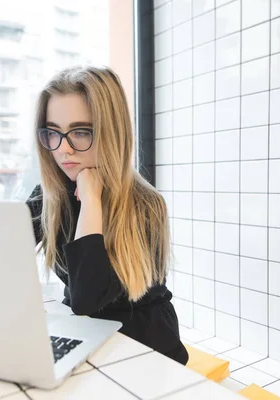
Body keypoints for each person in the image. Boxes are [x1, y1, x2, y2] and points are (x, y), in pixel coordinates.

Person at [26, 66, 188, 365]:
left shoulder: (146, 204)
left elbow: (87, 299)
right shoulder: (49, 197)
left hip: (145, 343)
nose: (63, 149)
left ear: (111, 133)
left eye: (81, 132)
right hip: (84, 334)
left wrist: (90, 200)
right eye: (52, 133)